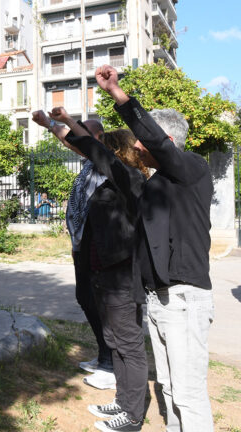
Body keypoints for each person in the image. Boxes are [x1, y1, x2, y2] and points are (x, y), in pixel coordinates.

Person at [93, 64, 215, 432]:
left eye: (143, 138)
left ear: (166, 141)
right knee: (171, 389)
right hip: (160, 299)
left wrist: (117, 93)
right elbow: (107, 162)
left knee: (188, 393)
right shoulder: (157, 184)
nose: (138, 146)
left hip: (184, 299)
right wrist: (61, 128)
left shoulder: (192, 169)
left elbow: (157, 141)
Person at [52, 109, 150, 432]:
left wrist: (67, 121)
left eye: (106, 149)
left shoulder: (130, 181)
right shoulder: (113, 181)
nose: (96, 154)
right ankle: (123, 402)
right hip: (105, 274)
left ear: (117, 153)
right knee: (116, 339)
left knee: (129, 344)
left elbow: (95, 151)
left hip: (122, 275)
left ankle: (133, 416)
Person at [32, 111, 115, 389]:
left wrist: (63, 122)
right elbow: (71, 141)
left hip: (99, 244)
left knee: (102, 302)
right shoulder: (88, 162)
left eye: (84, 132)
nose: (76, 139)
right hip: (82, 242)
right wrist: (47, 125)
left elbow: (74, 140)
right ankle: (104, 353)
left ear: (100, 139)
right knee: (84, 297)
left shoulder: (106, 161)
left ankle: (111, 363)